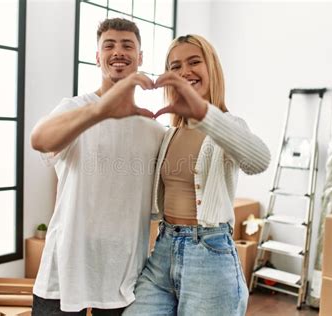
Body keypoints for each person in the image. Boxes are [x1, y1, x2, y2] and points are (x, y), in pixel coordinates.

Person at [122, 34, 271, 316]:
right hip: (164, 249)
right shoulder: (170, 134)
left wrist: (204, 113)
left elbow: (259, 161)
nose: (185, 71)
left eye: (194, 62)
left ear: (211, 68)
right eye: (175, 66)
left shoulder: (228, 125)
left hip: (210, 254)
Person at [30, 18, 165, 315]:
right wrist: (101, 110)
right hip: (63, 272)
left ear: (140, 58)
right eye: (109, 45)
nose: (118, 51)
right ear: (97, 57)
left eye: (127, 45)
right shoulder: (75, 108)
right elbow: (39, 139)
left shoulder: (154, 130)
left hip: (124, 278)